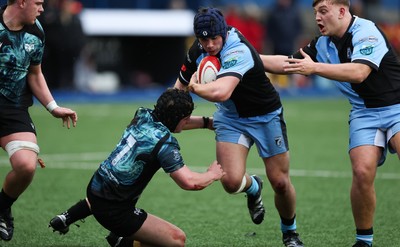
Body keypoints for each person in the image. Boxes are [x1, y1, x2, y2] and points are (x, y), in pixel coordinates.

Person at [260, 0, 400, 246]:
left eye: (323, 11)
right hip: (363, 113)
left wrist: (314, 68)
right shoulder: (321, 44)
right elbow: (288, 64)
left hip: (396, 106)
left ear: (342, 11)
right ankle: (363, 240)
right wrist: (249, 57)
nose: (317, 18)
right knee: (361, 171)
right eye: (315, 12)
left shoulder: (366, 31)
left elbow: (359, 72)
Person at [174, 7, 304, 247]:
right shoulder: (197, 51)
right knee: (231, 182)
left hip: (265, 115)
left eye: (214, 38)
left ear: (224, 32)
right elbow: (177, 89)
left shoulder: (238, 49)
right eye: (204, 39)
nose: (210, 44)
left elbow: (221, 92)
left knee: (281, 182)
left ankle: (290, 232)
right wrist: (166, 112)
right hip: (232, 118)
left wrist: (197, 88)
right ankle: (254, 187)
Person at [49, 88, 225, 247]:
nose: (187, 122)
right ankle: (123, 241)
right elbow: (189, 182)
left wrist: (205, 122)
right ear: (179, 119)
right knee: (177, 240)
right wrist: (212, 174)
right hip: (116, 212)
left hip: (96, 188)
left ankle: (67, 217)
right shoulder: (164, 144)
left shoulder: (142, 114)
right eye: (186, 119)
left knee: (112, 192)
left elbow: (171, 123)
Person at [0, 0, 78, 242]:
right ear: (21, 2)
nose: (43, 9)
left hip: (13, 110)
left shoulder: (36, 31)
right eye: (38, 3)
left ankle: (2, 208)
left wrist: (53, 107)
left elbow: (35, 73)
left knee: (26, 166)